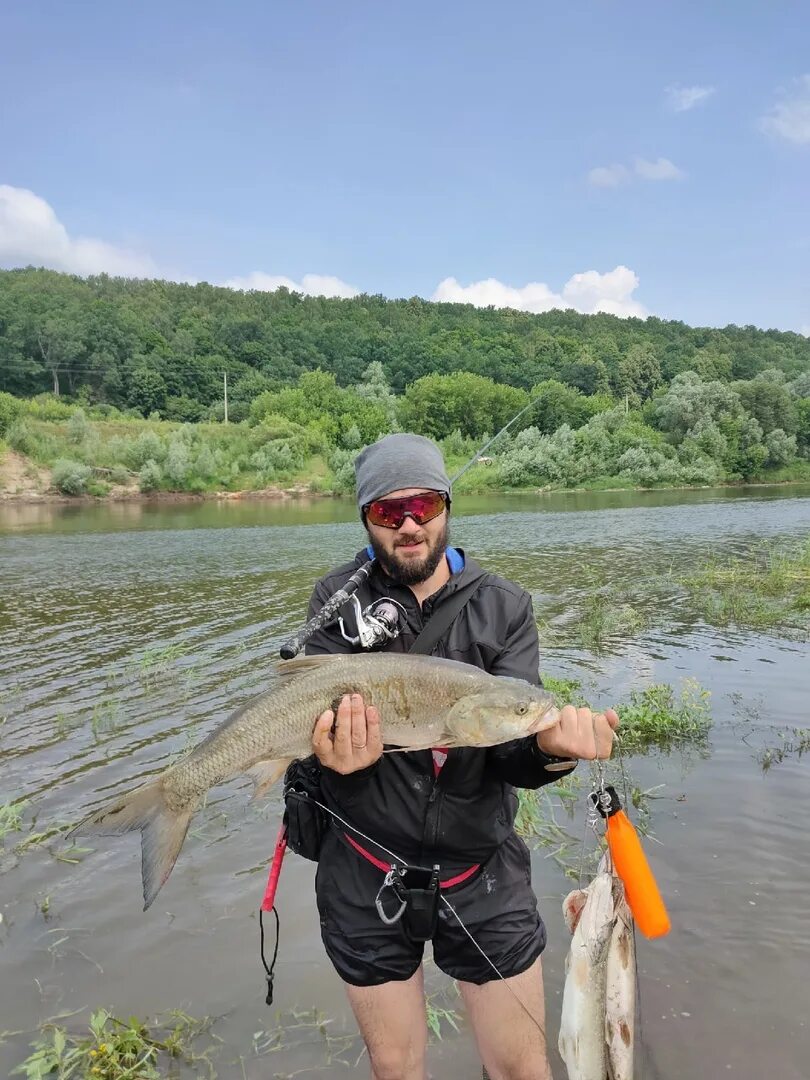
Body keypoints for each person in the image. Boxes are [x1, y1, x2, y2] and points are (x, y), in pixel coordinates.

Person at [302, 433, 618, 1080]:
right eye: (389, 512)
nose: (410, 524)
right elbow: (308, 750)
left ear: (447, 505)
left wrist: (552, 750)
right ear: (366, 518)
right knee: (395, 1069)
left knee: (524, 1070)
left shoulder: (504, 608)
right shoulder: (335, 605)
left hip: (482, 867)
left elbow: (513, 756)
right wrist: (331, 759)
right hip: (366, 869)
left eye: (423, 504)